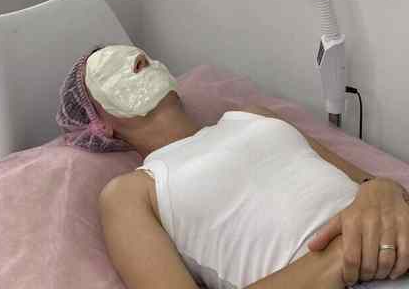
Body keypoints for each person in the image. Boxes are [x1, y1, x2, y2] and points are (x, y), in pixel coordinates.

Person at [56, 45, 409, 289]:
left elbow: (369, 183)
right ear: (99, 125)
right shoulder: (130, 192)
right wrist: (338, 260)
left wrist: (383, 190)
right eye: (106, 69)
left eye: (134, 53)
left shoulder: (254, 117)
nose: (134, 58)